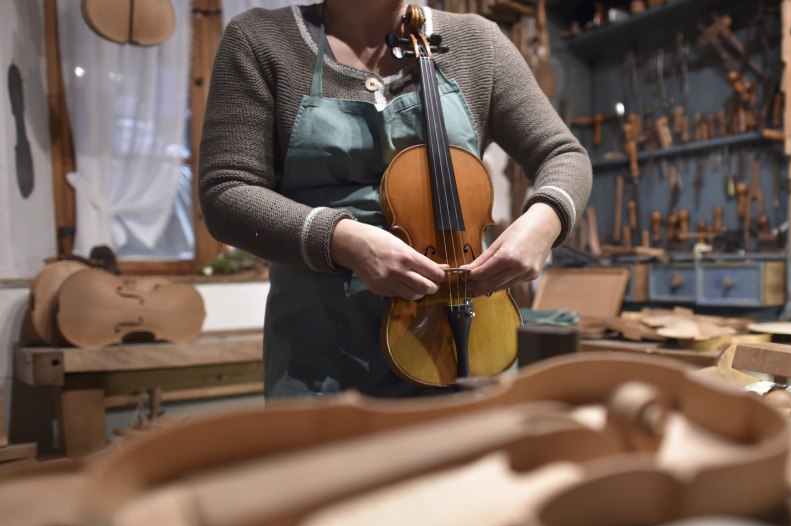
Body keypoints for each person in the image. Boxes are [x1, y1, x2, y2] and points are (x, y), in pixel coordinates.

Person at [199, 0, 592, 399]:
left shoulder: (478, 42)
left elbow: (563, 155)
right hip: (321, 358)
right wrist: (343, 240)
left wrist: (544, 222)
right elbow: (227, 192)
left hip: (465, 341)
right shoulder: (261, 39)